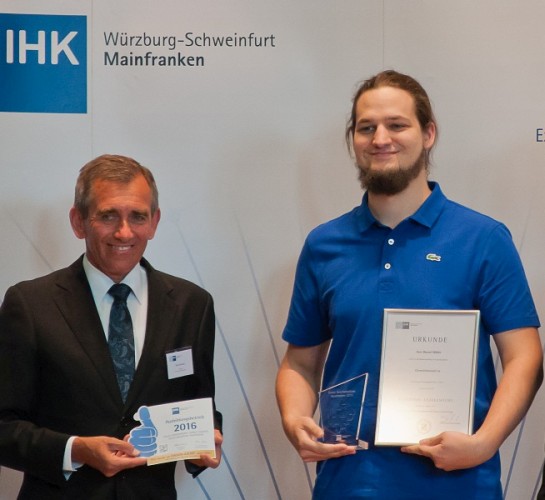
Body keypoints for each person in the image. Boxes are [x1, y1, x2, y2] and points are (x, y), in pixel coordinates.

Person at [275, 70, 543, 499]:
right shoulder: (324, 244)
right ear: (354, 140)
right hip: (348, 483)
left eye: (397, 125)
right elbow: (299, 364)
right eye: (366, 128)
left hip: (459, 485)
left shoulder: (483, 239)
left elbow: (525, 357)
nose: (380, 138)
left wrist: (483, 443)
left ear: (428, 133)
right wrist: (294, 420)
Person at [0, 154, 223, 499]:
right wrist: (75, 450)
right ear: (78, 222)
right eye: (108, 216)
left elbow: (198, 404)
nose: (124, 232)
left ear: (154, 222)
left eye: (138, 216)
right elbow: (4, 426)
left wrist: (205, 441)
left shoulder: (192, 305)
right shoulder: (30, 305)